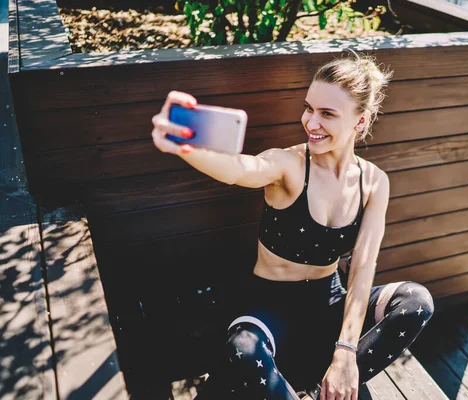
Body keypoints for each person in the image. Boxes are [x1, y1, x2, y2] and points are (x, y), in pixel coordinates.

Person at [151, 51, 435, 400]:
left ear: (360, 121)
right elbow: (241, 170)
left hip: (327, 303)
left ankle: (322, 391)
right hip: (269, 307)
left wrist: (346, 353)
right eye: (308, 108)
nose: (311, 123)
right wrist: (186, 147)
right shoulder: (287, 164)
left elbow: (362, 268)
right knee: (243, 347)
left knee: (416, 301)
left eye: (327, 114)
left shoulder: (374, 182)